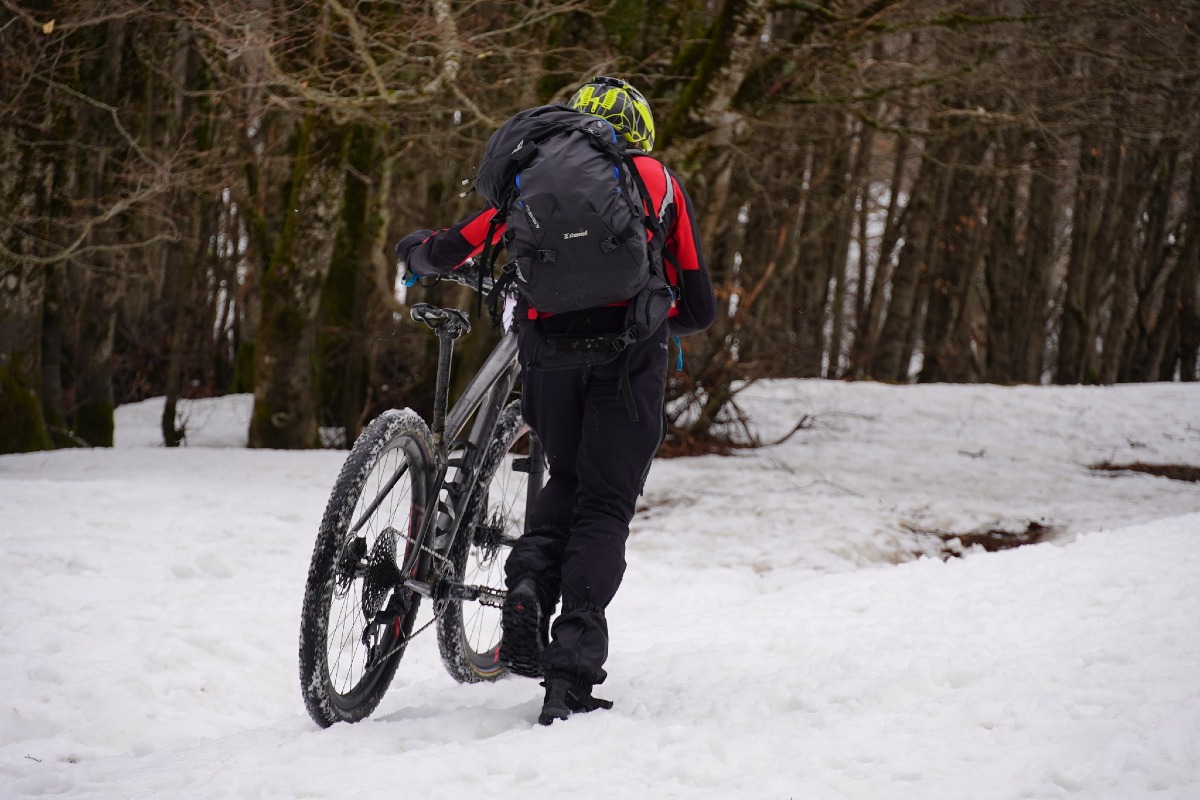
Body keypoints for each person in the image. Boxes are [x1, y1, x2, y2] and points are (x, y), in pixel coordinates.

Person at [396, 76, 716, 725]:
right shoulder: (655, 180)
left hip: (547, 350)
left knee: (564, 478)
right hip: (628, 355)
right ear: (639, 131)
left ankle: (526, 586)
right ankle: (569, 672)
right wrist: (654, 315)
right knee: (604, 503)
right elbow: (699, 306)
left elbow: (461, 243)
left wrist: (418, 253)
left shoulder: (533, 172)